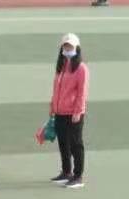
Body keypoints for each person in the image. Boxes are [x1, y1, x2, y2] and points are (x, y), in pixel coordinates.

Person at [38, 33, 88, 190]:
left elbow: (82, 92)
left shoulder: (81, 68)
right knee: (63, 143)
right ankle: (66, 172)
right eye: (65, 46)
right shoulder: (61, 67)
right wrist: (52, 106)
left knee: (76, 144)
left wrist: (78, 111)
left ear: (76, 48)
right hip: (60, 111)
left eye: (70, 46)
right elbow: (56, 89)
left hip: (73, 113)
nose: (67, 49)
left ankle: (78, 176)